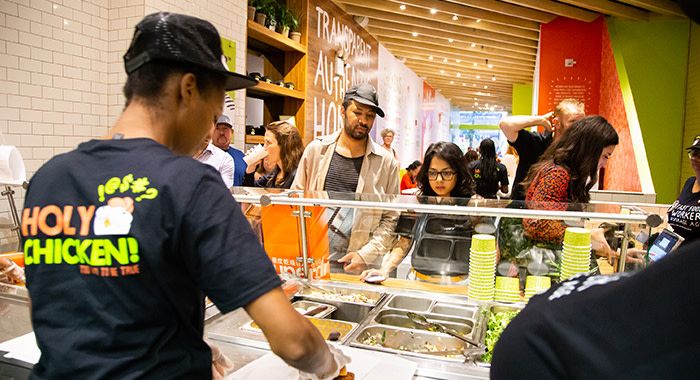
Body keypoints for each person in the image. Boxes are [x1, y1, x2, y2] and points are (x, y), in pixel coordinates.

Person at [21, 12, 347, 379]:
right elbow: (293, 341)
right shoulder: (190, 184)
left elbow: (65, 306)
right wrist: (331, 365)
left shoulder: (49, 178)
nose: (211, 124)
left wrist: (183, 341)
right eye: (216, 107)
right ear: (188, 88)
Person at [292, 83, 400, 273]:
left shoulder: (387, 162)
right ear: (342, 111)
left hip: (361, 267)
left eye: (369, 116)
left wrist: (366, 254)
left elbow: (391, 218)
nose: (363, 121)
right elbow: (294, 203)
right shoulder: (317, 150)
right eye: (357, 113)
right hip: (314, 260)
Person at [521, 115, 635, 263]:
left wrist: (610, 251)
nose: (604, 165)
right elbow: (538, 224)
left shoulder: (564, 172)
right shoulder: (558, 174)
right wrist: (587, 236)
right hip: (541, 265)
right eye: (605, 156)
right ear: (590, 151)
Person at [360, 142, 475, 280]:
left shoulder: (471, 205)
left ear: (458, 173)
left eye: (447, 173)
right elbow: (404, 242)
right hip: (418, 280)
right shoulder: (419, 204)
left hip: (460, 283)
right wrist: (384, 270)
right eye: (433, 173)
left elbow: (489, 250)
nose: (439, 180)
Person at [499, 98, 585, 200]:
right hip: (523, 209)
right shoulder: (536, 142)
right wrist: (541, 120)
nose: (580, 128)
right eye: (573, 122)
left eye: (582, 123)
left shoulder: (579, 151)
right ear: (556, 123)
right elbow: (505, 124)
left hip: (559, 211)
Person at [243, 121, 304, 189]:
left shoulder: (298, 175)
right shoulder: (274, 174)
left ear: (284, 146)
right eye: (264, 142)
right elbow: (251, 193)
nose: (264, 147)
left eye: (268, 142)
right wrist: (251, 168)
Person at [666, 134, 700, 245]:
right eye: (694, 154)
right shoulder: (689, 182)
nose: (695, 158)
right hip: (676, 254)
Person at [212, 114, 247, 186]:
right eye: (217, 128)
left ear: (232, 132)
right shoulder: (204, 155)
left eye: (225, 129)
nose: (221, 132)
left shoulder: (241, 157)